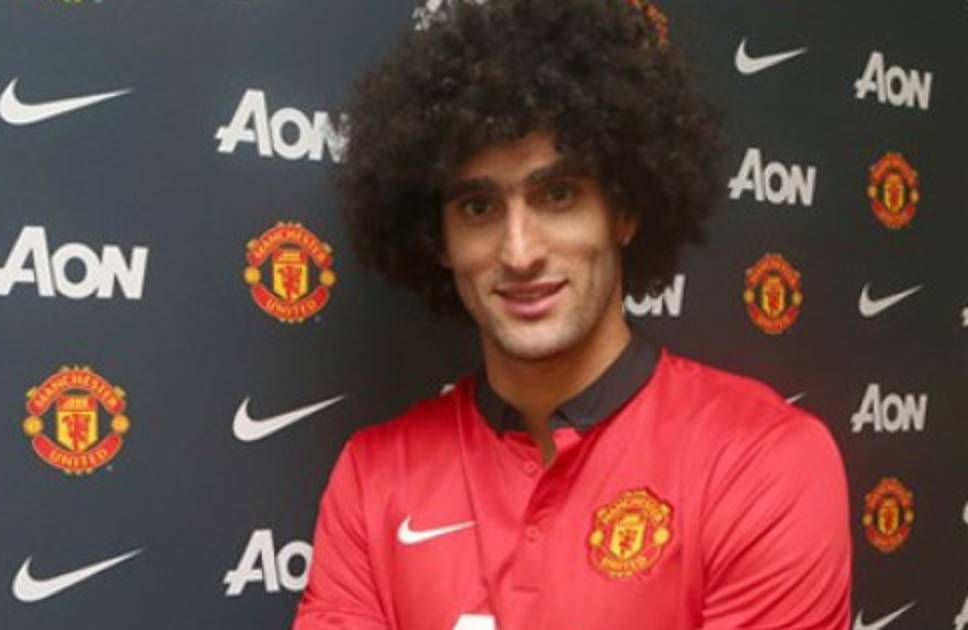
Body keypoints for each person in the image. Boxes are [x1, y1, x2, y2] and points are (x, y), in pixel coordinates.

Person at [293, 1, 850, 628]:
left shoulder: (760, 461)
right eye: (478, 208)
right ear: (438, 241)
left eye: (558, 195)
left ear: (624, 212)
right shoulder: (373, 476)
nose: (520, 252)